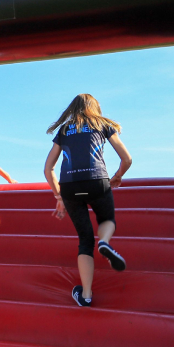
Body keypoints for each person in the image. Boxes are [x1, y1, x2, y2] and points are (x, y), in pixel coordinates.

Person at [43, 94, 132, 307]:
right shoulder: (101, 124)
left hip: (70, 187)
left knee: (84, 239)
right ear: (95, 107)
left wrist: (59, 196)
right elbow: (127, 158)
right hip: (97, 181)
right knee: (106, 220)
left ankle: (86, 295)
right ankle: (104, 242)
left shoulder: (64, 130)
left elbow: (48, 169)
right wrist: (118, 176)